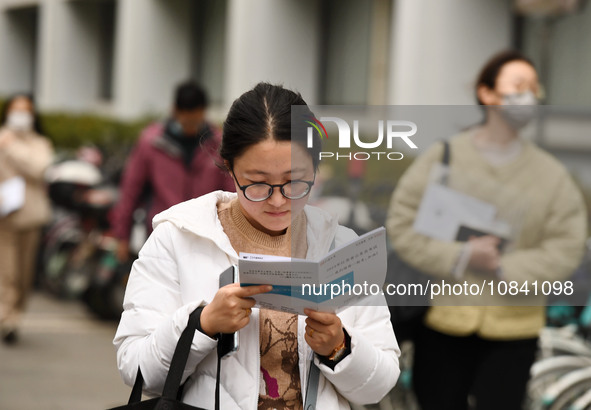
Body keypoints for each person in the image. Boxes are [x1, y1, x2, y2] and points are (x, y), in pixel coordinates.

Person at [113, 83, 400, 409]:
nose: (278, 201)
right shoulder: (177, 239)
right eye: (258, 183)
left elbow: (378, 385)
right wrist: (203, 324)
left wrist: (340, 347)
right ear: (229, 166)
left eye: (295, 182)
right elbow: (136, 369)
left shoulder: (342, 247)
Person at [386, 50, 587, 410]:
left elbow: (567, 246)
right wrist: (461, 256)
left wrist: (501, 267)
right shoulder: (443, 156)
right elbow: (402, 224)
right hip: (443, 321)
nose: (529, 97)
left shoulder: (551, 174)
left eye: (534, 89)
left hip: (515, 329)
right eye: (519, 86)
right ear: (487, 93)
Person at [109, 81, 234, 262]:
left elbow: (231, 194)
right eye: (186, 117)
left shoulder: (218, 144)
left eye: (196, 117)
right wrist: (122, 236)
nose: (191, 124)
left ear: (204, 112)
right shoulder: (151, 143)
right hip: (160, 236)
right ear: (175, 110)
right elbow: (130, 190)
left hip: (206, 238)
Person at [0, 94, 54, 345]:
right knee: (6, 273)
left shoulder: (39, 143)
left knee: (23, 274)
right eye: (16, 110)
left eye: (25, 110)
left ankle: (16, 313)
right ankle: (7, 317)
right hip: (5, 219)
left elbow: (39, 168)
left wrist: (12, 148)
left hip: (30, 218)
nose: (20, 115)